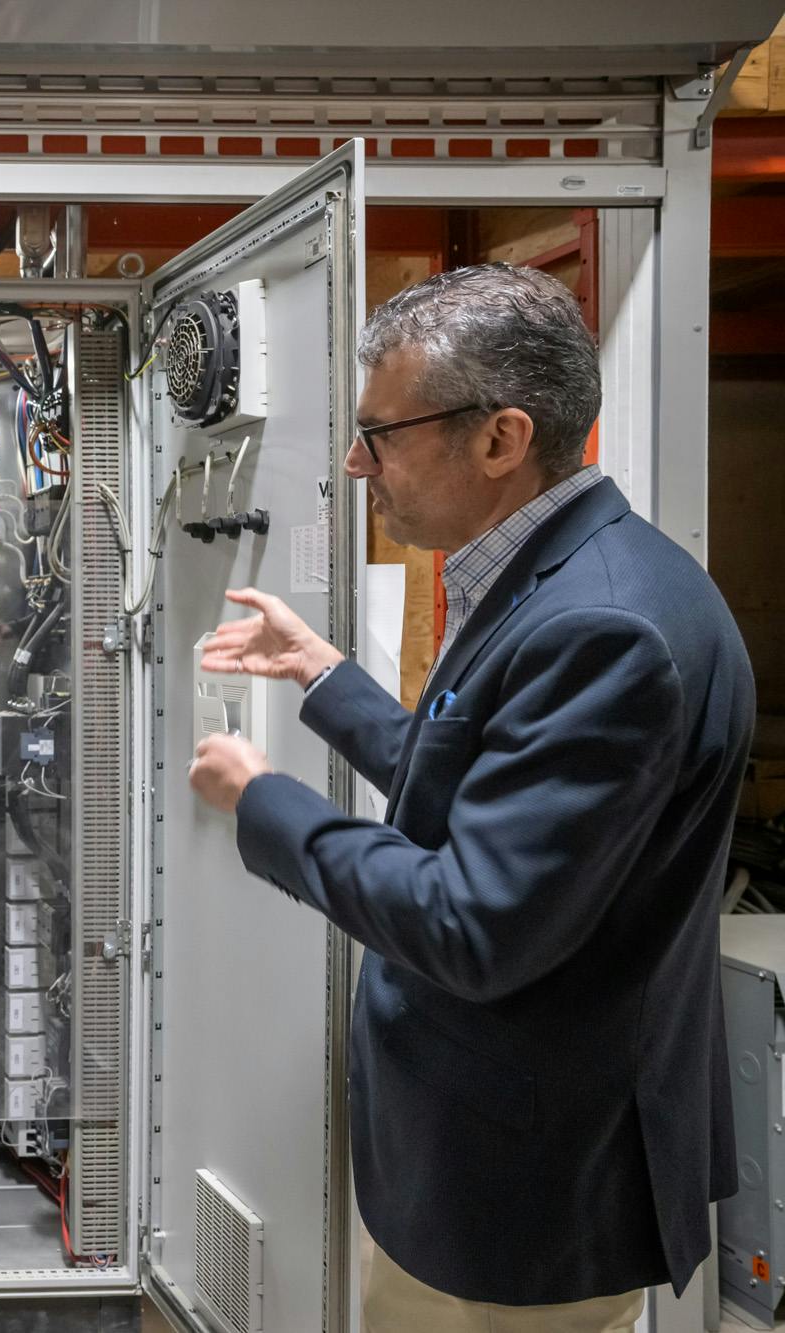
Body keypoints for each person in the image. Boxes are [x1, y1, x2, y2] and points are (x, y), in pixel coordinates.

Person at [187, 263, 755, 1332]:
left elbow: (469, 921)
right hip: (495, 1159)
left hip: (520, 1193)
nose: (356, 464)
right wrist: (320, 673)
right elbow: (484, 785)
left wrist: (262, 802)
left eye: (380, 434)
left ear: (499, 437)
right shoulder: (566, 576)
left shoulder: (606, 626)